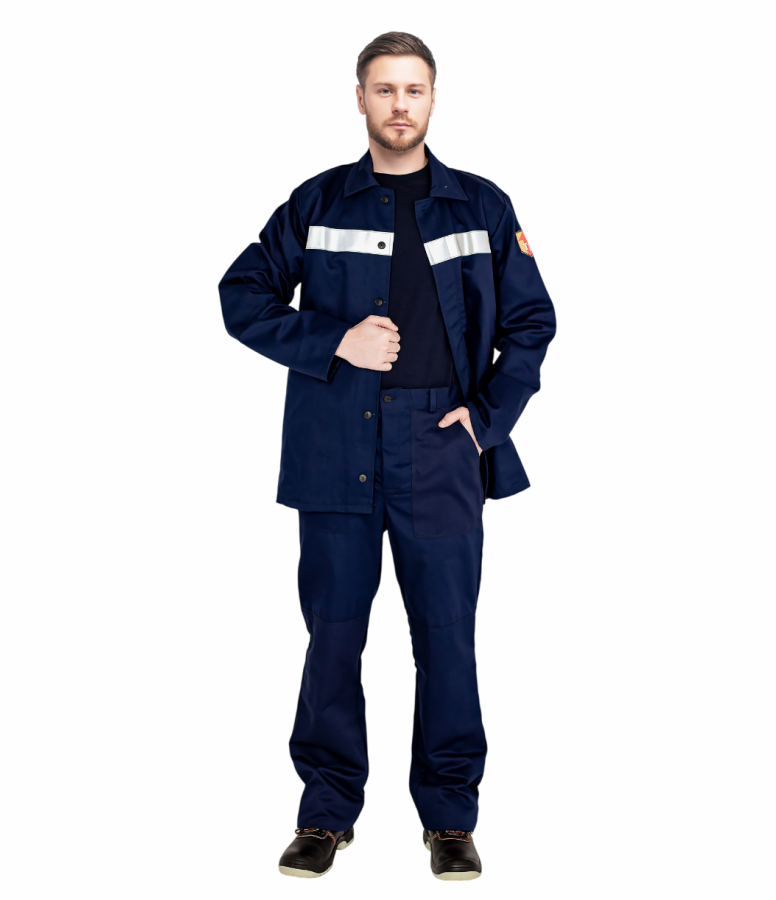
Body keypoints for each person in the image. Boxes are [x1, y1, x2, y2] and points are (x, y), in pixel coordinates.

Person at [218, 31, 556, 881]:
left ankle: (449, 818)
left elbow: (532, 322)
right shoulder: (318, 201)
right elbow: (241, 294)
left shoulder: (481, 205)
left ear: (433, 99)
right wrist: (335, 341)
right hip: (337, 445)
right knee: (333, 635)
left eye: (413, 89)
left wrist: (487, 419)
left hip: (441, 445)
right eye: (384, 89)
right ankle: (326, 813)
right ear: (360, 98)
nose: (399, 105)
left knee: (446, 638)